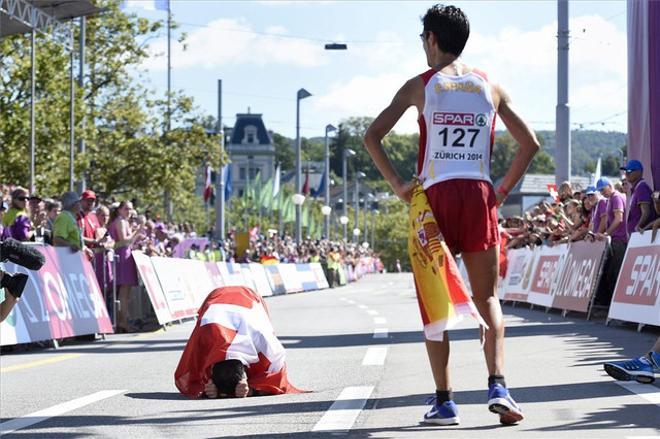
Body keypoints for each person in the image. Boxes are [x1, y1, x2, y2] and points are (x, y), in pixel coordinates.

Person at [363, 4, 539, 425]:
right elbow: (529, 143)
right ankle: (499, 386)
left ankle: (444, 401)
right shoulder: (489, 85)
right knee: (488, 297)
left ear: (432, 39)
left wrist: (398, 186)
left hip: (433, 200)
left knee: (434, 302)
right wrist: (501, 190)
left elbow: (372, 136)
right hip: (478, 194)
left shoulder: (420, 85)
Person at [174, 286, 302, 399]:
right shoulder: (203, 336)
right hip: (215, 300)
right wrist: (206, 384)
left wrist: (253, 389)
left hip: (249, 296)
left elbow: (279, 373)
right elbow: (185, 376)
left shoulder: (262, 338)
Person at [109, 201, 144, 332]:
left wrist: (136, 235)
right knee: (123, 292)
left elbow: (127, 241)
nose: (128, 212)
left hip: (125, 253)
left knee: (125, 292)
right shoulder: (121, 221)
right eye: (126, 209)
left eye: (130, 209)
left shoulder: (123, 221)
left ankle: (123, 321)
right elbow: (124, 240)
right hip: (122, 255)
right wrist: (136, 232)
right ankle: (122, 322)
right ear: (119, 210)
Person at [594, 177, 627, 306]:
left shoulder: (616, 197)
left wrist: (606, 233)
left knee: (615, 273)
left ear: (609, 185)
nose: (602, 193)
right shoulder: (612, 198)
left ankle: (618, 305)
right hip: (617, 239)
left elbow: (619, 218)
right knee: (612, 273)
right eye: (600, 191)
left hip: (619, 240)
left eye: (603, 189)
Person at [621, 160, 656, 235]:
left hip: (642, 235)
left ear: (639, 172)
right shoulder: (637, 188)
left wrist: (637, 227)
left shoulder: (641, 187)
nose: (627, 173)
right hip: (638, 236)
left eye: (629, 171)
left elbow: (646, 212)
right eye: (625, 171)